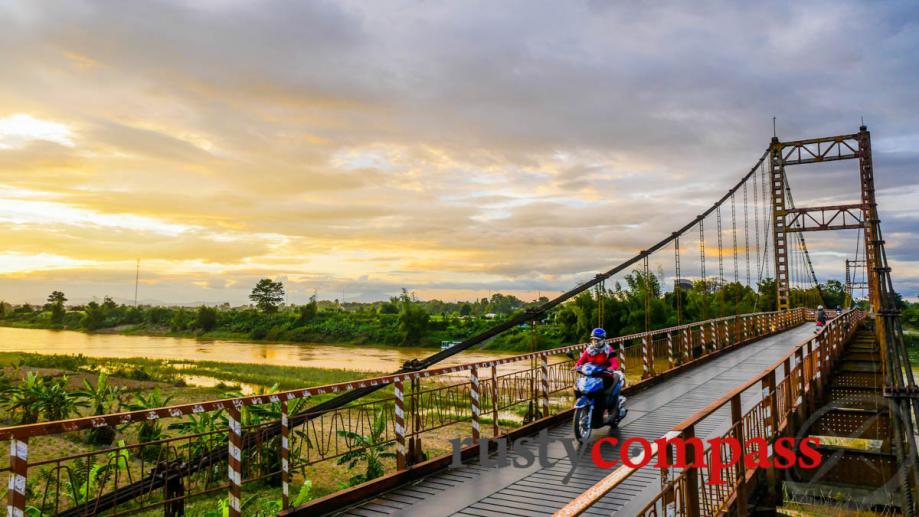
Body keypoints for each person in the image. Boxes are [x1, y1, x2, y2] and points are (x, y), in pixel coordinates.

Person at [575, 328, 624, 421]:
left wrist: (610, 368)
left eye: (597, 340)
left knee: (599, 391)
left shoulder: (608, 350)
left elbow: (614, 364)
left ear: (603, 340)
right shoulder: (589, 350)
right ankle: (585, 406)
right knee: (578, 386)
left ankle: (602, 411)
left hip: (605, 375)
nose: (595, 342)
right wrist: (577, 366)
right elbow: (580, 361)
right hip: (591, 376)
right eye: (593, 339)